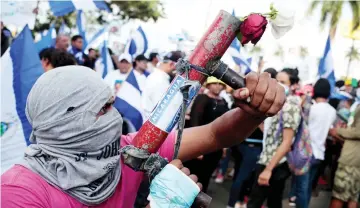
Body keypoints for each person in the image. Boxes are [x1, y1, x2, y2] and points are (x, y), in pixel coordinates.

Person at [1, 66, 285, 208]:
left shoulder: (128, 152)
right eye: (103, 109)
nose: (115, 117)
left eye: (112, 103)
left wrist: (253, 111)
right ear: (64, 125)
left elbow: (215, 134)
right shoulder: (19, 192)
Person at [247, 68, 301, 208]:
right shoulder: (278, 104)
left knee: (257, 202)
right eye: (277, 80)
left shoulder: (290, 107)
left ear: (293, 85)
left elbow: (287, 142)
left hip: (275, 164)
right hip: (267, 159)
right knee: (272, 201)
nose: (279, 84)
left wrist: (268, 170)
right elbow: (268, 132)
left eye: (283, 82)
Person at [227, 68, 278, 208]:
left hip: (241, 144)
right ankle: (233, 203)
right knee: (243, 176)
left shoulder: (255, 96)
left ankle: (236, 202)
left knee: (241, 175)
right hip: (250, 146)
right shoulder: (255, 98)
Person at [184, 77, 231, 193]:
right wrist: (197, 146)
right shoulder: (202, 99)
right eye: (214, 83)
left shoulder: (223, 102)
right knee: (192, 177)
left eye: (220, 84)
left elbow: (225, 126)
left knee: (206, 177)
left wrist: (224, 147)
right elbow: (195, 122)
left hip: (216, 147)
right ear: (208, 85)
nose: (217, 86)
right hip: (201, 144)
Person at [329, 102, 360, 208]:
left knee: (339, 196)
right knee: (352, 197)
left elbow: (358, 132)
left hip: (350, 159)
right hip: (355, 159)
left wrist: (338, 131)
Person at [142, 51, 183, 119]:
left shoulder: (157, 77)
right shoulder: (160, 80)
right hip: (156, 125)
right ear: (171, 64)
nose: (176, 71)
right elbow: (164, 111)